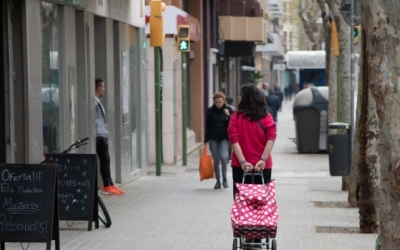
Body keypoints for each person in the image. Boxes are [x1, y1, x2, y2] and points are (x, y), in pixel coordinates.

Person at [227, 84, 276, 245]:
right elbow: (271, 137)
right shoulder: (266, 116)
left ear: (245, 98)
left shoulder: (236, 117)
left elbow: (234, 140)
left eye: (240, 95)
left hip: (241, 168)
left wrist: (242, 162)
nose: (239, 97)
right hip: (263, 167)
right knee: (261, 201)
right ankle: (259, 234)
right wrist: (262, 160)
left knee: (243, 201)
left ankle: (246, 232)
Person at [95, 78, 125, 196]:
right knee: (104, 160)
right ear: (98, 88)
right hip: (99, 135)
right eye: (103, 87)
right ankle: (107, 185)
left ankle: (110, 183)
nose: (104, 89)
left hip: (102, 134)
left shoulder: (97, 102)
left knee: (106, 160)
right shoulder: (94, 102)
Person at [204, 92, 233, 189]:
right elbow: (207, 125)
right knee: (216, 159)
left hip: (224, 137)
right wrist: (205, 140)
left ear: (224, 101)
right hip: (213, 138)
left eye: (220, 102)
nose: (219, 104)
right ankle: (218, 180)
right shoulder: (210, 111)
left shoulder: (228, 109)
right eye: (217, 102)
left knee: (223, 157)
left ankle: (225, 178)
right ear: (214, 102)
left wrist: (228, 116)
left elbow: (233, 125)